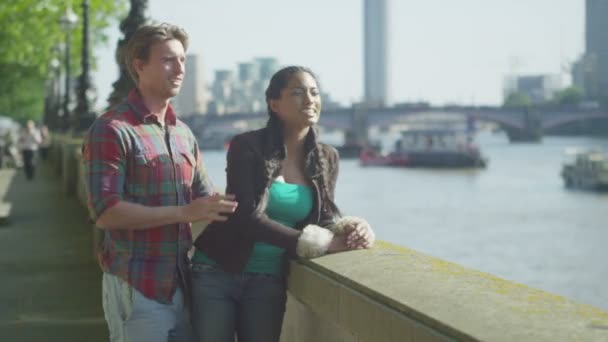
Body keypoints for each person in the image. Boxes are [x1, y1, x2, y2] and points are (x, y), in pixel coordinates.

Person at [190, 66, 376, 342]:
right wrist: (320, 244)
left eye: (314, 92)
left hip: (269, 280)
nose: (310, 100)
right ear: (274, 104)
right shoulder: (247, 146)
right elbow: (245, 217)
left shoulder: (328, 157)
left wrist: (352, 229)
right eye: (298, 93)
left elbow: (322, 217)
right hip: (217, 273)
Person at [81, 23, 238, 342]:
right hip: (137, 285)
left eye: (182, 60)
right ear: (139, 65)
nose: (180, 68)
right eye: (169, 59)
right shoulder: (111, 129)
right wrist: (182, 213)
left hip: (183, 285)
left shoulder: (183, 133)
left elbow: (208, 203)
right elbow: (106, 211)